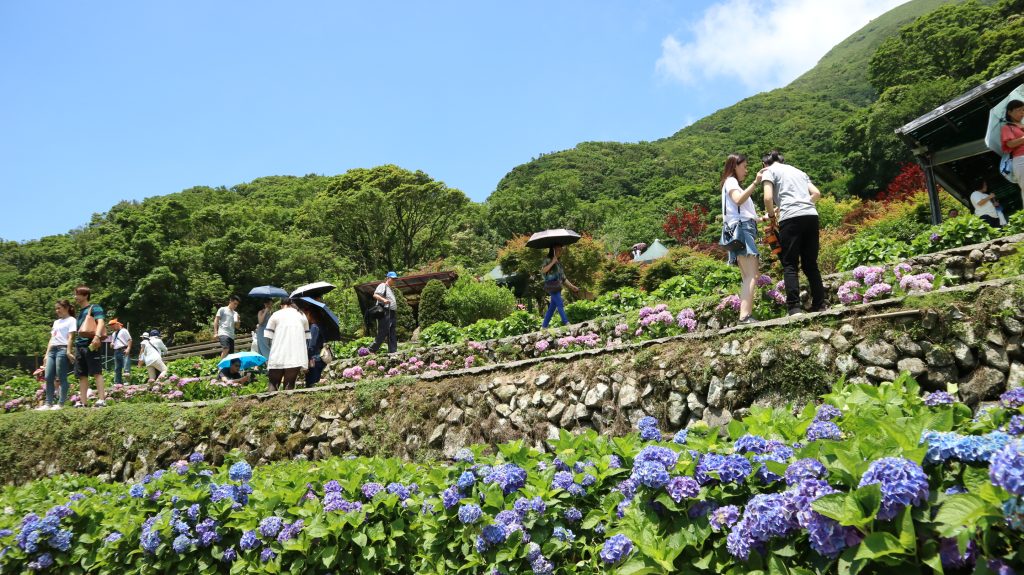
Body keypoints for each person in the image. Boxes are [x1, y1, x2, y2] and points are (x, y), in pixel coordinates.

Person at [760, 151, 824, 315]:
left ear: (764, 164)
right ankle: (820, 304)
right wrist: (801, 203)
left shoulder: (768, 171)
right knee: (811, 264)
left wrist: (772, 216)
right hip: (811, 216)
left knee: (790, 264)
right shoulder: (799, 172)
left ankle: (794, 307)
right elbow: (816, 193)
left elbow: (767, 198)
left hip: (790, 220)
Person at [720, 153, 764, 324]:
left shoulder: (732, 183)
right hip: (742, 229)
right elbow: (738, 200)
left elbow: (744, 212)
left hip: (743, 228)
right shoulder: (731, 182)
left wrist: (762, 218)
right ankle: (745, 316)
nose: (746, 170)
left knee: (750, 275)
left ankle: (745, 315)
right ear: (735, 166)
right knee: (750, 275)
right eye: (744, 166)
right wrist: (755, 182)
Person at [71, 285, 107, 407]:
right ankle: (83, 402)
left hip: (91, 344)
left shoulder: (95, 308)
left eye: (77, 294)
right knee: (82, 375)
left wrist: (96, 337)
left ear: (85, 295)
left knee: (97, 372)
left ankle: (102, 399)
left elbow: (101, 322)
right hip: (79, 346)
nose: (75, 297)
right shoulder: (80, 313)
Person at [264, 298, 310, 391]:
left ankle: (270, 404)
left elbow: (268, 336)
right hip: (295, 356)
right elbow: (307, 337)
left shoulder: (276, 314)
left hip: (278, 354)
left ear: (281, 305)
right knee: (290, 384)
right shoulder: (301, 315)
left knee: (273, 383)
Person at [39, 299, 76, 410]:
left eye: (59, 308)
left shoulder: (72, 320)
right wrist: (46, 354)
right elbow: (52, 338)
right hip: (52, 350)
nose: (57, 310)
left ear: (66, 308)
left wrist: (68, 351)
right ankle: (48, 403)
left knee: (61, 377)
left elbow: (70, 337)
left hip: (62, 349)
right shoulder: (56, 322)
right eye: (56, 308)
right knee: (48, 376)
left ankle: (61, 404)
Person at [540, 245, 580, 328]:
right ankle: (566, 322)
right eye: (558, 250)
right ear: (553, 250)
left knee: (552, 307)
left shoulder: (559, 263)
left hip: (558, 286)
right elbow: (543, 271)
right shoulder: (548, 259)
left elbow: (563, 278)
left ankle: (544, 326)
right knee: (560, 303)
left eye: (560, 250)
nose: (560, 251)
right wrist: (552, 262)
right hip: (551, 285)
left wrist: (572, 287)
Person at [368, 272, 399, 354]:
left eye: (395, 279)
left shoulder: (390, 288)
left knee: (392, 332)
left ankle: (393, 351)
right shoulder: (383, 285)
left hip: (391, 312)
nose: (394, 280)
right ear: (388, 278)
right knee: (383, 331)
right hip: (385, 312)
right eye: (393, 279)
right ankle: (372, 349)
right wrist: (384, 300)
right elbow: (375, 295)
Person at [1001, 99, 1024, 205]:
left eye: (1023, 110)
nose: (1022, 113)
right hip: (1021, 160)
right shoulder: (1007, 127)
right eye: (1019, 110)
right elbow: (1010, 144)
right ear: (1009, 112)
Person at [107, 319, 132, 386]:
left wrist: (128, 348)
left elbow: (129, 340)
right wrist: (111, 344)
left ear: (117, 324)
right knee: (117, 368)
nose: (112, 328)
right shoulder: (114, 334)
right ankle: (118, 382)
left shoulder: (124, 331)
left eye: (113, 326)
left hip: (123, 349)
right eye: (111, 327)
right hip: (116, 351)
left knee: (126, 367)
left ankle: (127, 382)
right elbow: (112, 343)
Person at [305, 309, 326, 387]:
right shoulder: (319, 326)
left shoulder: (314, 327)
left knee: (311, 383)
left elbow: (311, 345)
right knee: (315, 383)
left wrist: (307, 357)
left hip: (313, 360)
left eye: (306, 313)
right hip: (318, 359)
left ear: (310, 315)